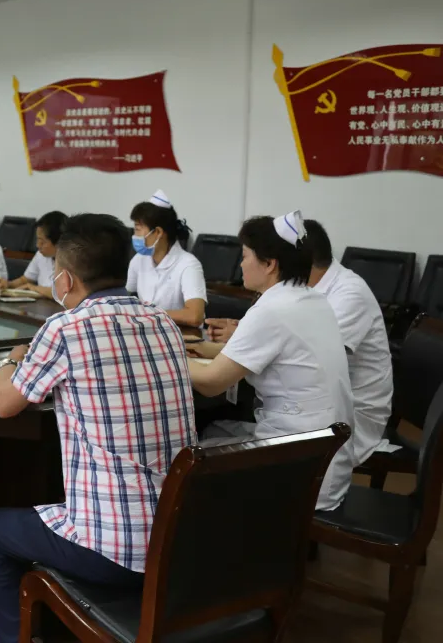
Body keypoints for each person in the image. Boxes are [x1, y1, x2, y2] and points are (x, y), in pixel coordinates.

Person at [0, 213, 196, 643]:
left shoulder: (65, 328)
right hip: (179, 538)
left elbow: (4, 404)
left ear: (66, 279)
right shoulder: (163, 322)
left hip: (113, 552)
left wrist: (11, 361)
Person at [186, 211, 355, 511]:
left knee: (184, 464)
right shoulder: (311, 299)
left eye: (245, 256)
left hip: (302, 469)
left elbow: (212, 383)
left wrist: (164, 359)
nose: (240, 264)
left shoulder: (273, 310)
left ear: (269, 264)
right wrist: (194, 351)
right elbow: (249, 353)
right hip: (325, 454)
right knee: (214, 430)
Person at [209, 220, 393, 466]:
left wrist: (244, 334)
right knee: (212, 429)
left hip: (348, 420)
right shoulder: (306, 295)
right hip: (315, 420)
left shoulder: (348, 293)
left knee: (198, 451)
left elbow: (301, 347)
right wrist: (244, 334)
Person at [125, 189, 207, 328]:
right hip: (150, 330)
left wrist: (147, 313)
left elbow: (194, 316)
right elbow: (124, 296)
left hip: (181, 335)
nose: (135, 235)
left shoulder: (188, 264)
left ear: (158, 232)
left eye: (138, 229)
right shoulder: (138, 260)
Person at [0, 211, 67, 299]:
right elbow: (25, 280)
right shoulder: (40, 255)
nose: (37, 245)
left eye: (42, 242)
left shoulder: (74, 261)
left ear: (59, 242)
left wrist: (34, 288)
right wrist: (8, 284)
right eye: (37, 240)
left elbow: (65, 294)